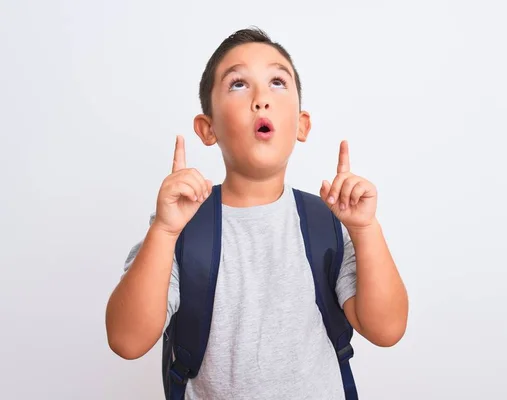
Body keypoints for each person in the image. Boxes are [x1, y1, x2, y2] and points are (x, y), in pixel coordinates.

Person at [105, 27, 409, 399]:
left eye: (277, 82)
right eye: (238, 84)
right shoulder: (181, 227)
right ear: (208, 127)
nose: (261, 98)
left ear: (301, 124)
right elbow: (126, 340)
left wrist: (366, 230)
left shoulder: (326, 222)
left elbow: (387, 329)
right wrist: (165, 232)